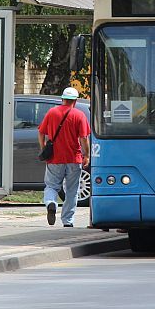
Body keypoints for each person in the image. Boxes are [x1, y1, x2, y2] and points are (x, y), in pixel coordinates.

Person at [38, 87, 91, 228]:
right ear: (75, 101)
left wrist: (44, 148)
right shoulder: (79, 115)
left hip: (55, 158)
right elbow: (84, 138)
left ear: (62, 99)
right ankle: (68, 221)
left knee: (51, 186)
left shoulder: (51, 113)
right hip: (74, 158)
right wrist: (86, 155)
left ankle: (51, 203)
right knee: (72, 190)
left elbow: (41, 132)